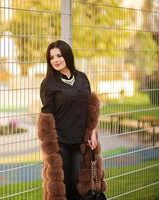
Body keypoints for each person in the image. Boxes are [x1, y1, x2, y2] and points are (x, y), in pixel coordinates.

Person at [40, 40, 98, 200]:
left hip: (82, 142)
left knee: (82, 187)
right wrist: (48, 149)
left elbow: (91, 108)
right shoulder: (49, 84)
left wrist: (93, 132)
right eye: (51, 58)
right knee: (66, 188)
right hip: (61, 144)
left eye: (59, 55)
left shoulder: (82, 78)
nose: (55, 60)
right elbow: (46, 119)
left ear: (67, 55)